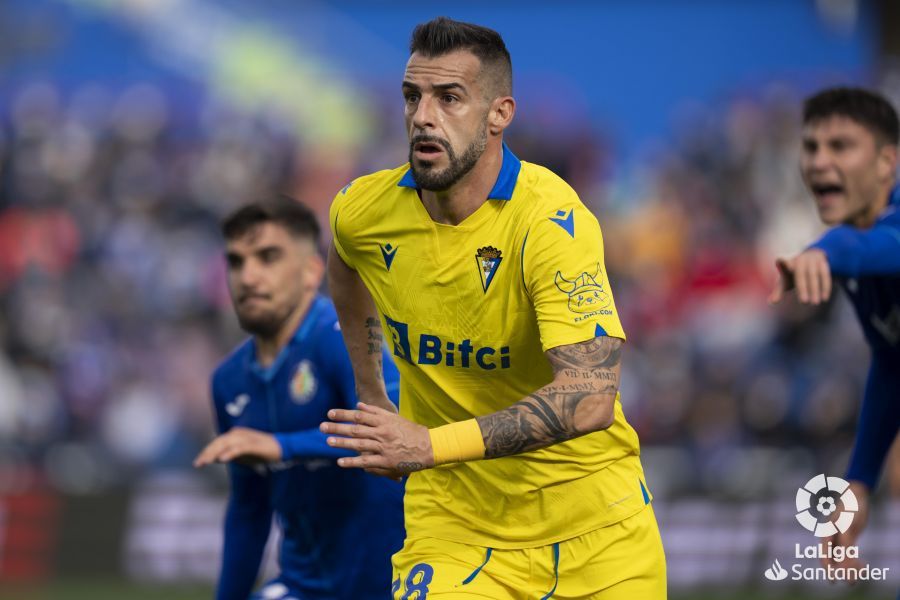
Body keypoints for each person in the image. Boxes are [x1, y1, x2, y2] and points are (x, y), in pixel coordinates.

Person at [321, 17, 666, 599]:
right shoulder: (363, 211)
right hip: (455, 527)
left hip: (599, 534)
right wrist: (371, 389)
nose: (423, 116)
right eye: (413, 96)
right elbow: (346, 266)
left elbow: (589, 398)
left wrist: (428, 446)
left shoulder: (552, 222)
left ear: (500, 113)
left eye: (449, 98)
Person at [193, 196, 404, 600]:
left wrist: (280, 446)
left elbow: (389, 432)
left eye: (267, 257)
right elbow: (249, 510)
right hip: (305, 585)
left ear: (310, 271)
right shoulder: (228, 380)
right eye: (236, 262)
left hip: (394, 582)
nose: (248, 276)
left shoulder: (345, 341)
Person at [769, 87, 900, 572]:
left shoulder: (855, 246)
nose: (820, 162)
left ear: (888, 162)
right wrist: (861, 481)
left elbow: (874, 247)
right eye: (811, 147)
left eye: (841, 146)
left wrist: (824, 250)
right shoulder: (859, 251)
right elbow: (891, 366)